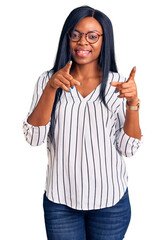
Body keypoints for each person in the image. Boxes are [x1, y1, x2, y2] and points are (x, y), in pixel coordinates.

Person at [23, 5, 143, 240]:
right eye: (75, 34)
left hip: (110, 203)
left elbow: (128, 149)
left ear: (103, 40)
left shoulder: (117, 84)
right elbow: (33, 138)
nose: (82, 42)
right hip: (61, 203)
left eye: (92, 36)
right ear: (67, 37)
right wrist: (51, 88)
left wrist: (132, 104)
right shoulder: (48, 80)